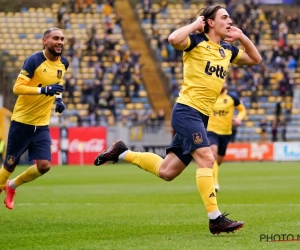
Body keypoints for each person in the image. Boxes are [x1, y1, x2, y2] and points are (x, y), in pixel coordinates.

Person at [94, 5, 261, 234]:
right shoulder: (195, 41)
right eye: (224, 17)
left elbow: (256, 59)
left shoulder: (227, 50)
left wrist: (242, 36)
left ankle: (122, 152)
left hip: (200, 116)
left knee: (167, 172)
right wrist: (195, 24)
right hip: (187, 111)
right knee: (206, 158)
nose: (229, 20)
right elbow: (173, 38)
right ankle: (215, 219)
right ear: (210, 22)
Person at [0, 28, 69, 210]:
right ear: (45, 41)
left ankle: (12, 186)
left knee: (44, 166)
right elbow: (17, 88)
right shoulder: (34, 60)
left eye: (62, 39)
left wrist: (59, 100)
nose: (60, 42)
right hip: (22, 122)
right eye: (55, 38)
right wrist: (43, 90)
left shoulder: (64, 63)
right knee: (9, 165)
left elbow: (58, 83)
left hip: (42, 124)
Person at [207, 82, 246, 192]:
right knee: (212, 155)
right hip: (211, 131)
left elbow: (242, 110)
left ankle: (212, 173)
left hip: (226, 133)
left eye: (223, 81)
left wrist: (238, 118)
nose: (221, 83)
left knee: (218, 161)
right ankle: (214, 184)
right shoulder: (210, 96)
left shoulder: (232, 97)